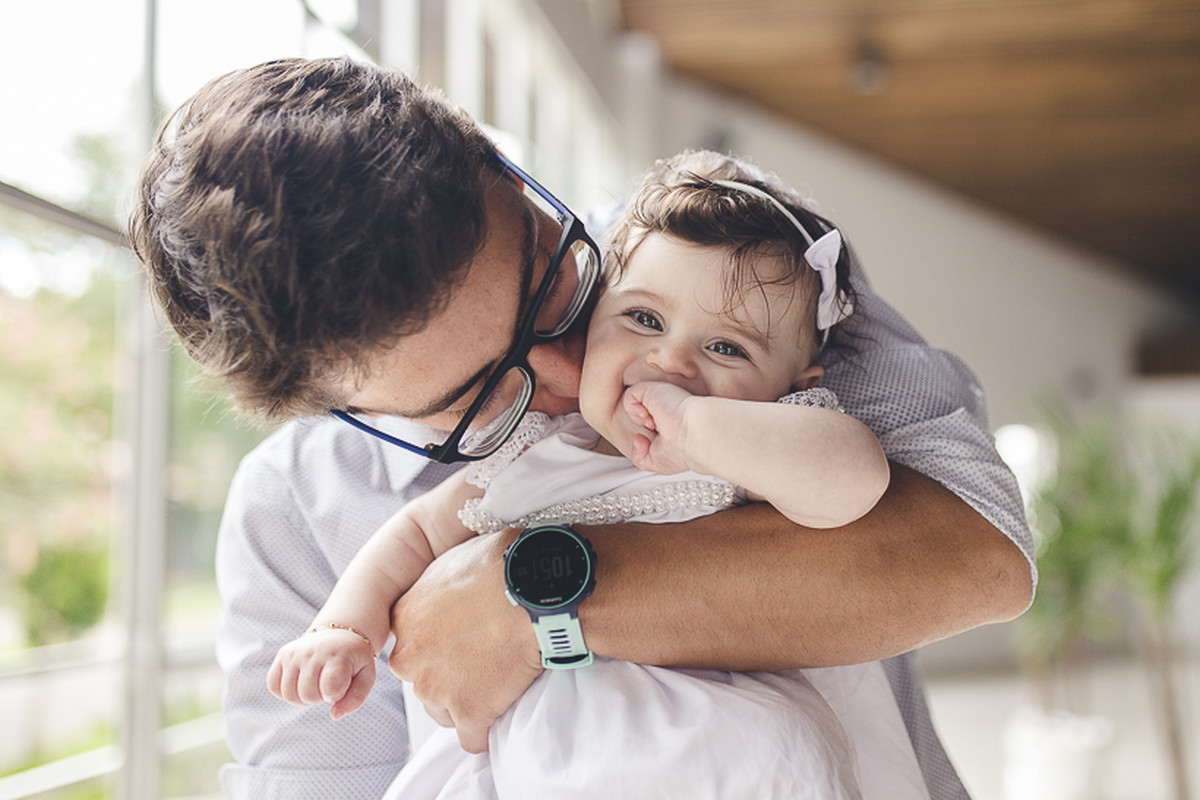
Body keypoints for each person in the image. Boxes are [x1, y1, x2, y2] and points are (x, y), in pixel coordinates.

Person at [128, 57, 1035, 800]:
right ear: (353, 415)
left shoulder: (722, 258)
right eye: (483, 394)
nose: (571, 380)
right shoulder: (295, 515)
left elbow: (977, 561)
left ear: (510, 172)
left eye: (553, 286)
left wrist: (532, 602)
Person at [270, 149, 927, 800]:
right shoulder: (531, 450)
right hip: (548, 761)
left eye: (726, 347)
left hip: (734, 756)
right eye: (643, 320)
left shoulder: (755, 453)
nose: (670, 361)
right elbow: (412, 534)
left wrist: (697, 430)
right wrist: (345, 629)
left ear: (794, 385)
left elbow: (854, 481)